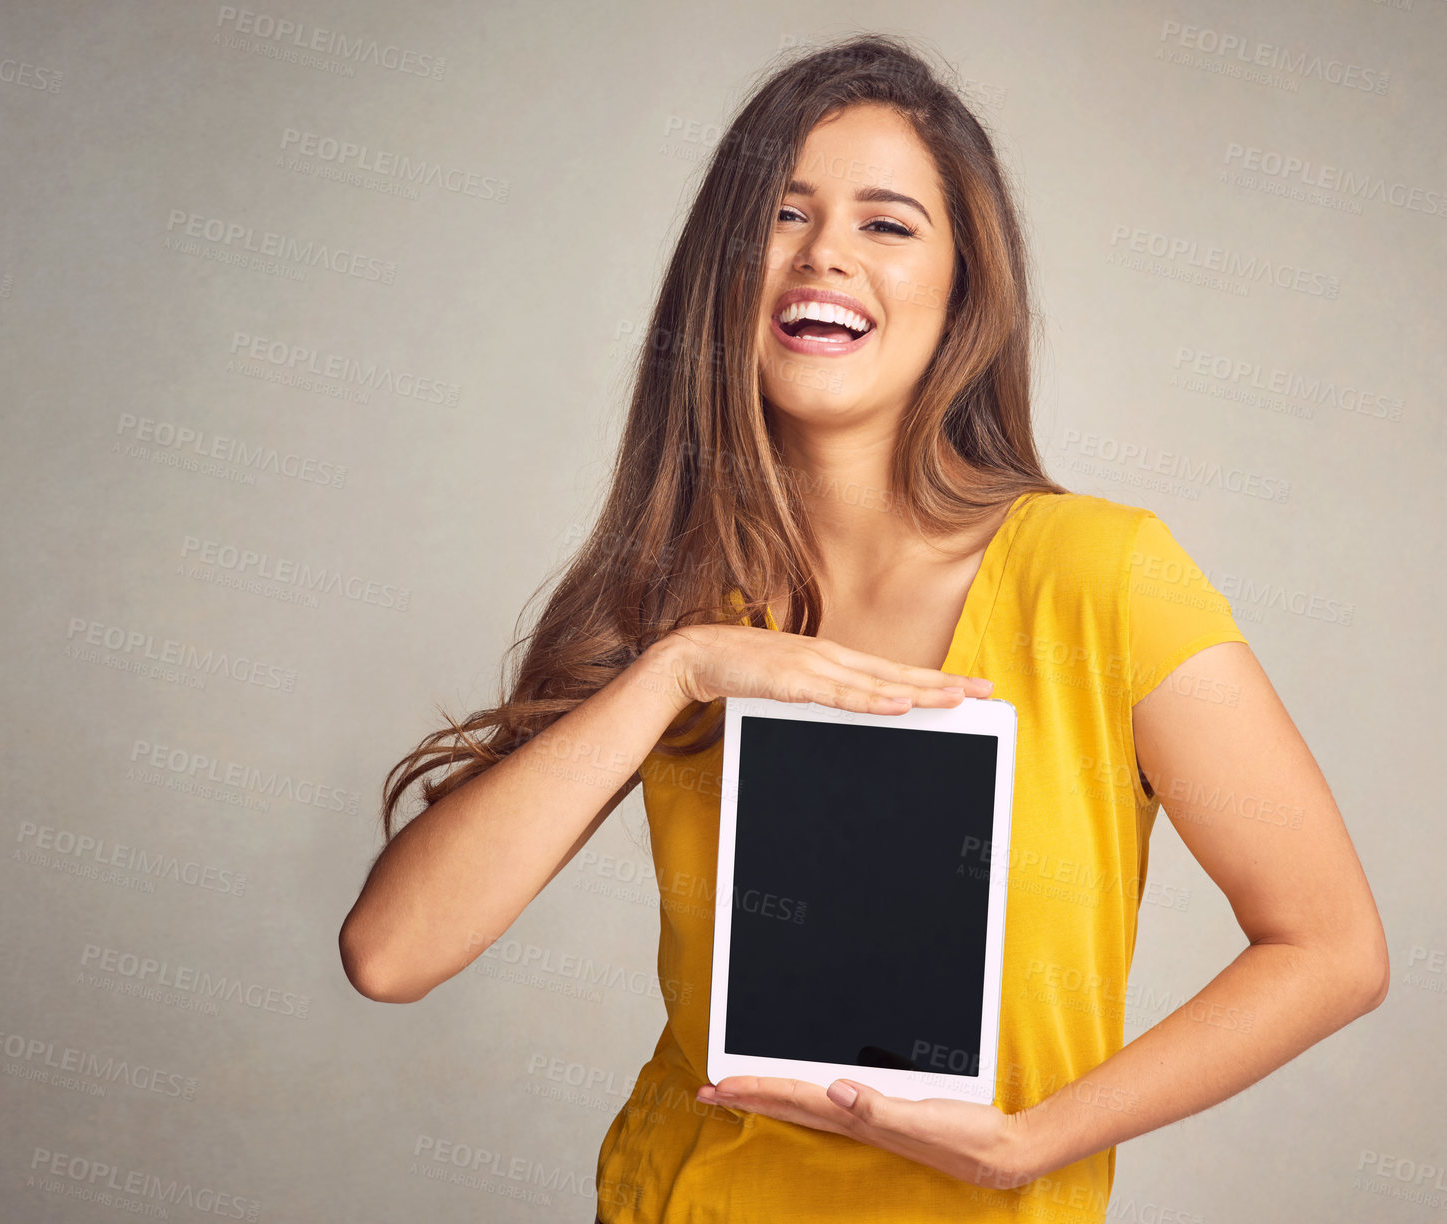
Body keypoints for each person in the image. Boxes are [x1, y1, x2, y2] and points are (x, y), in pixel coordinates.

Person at [340, 33, 1388, 1224]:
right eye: (783, 217)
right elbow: (391, 953)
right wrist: (678, 669)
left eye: (887, 224)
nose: (825, 252)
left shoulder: (1103, 575)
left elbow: (1332, 948)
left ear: (962, 294)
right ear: (722, 274)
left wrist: (1031, 1144)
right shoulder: (676, 599)